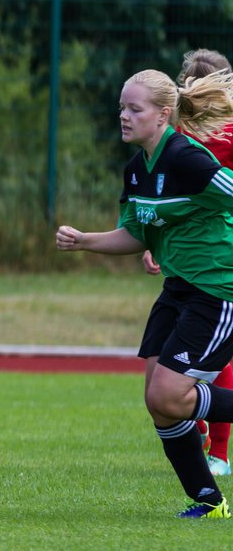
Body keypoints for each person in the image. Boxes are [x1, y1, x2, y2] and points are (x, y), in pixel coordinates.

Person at [56, 67, 233, 518]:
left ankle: (210, 497)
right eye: (121, 107)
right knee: (160, 404)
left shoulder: (189, 160)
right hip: (178, 288)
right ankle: (209, 503)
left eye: (134, 108)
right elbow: (134, 233)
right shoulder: (137, 170)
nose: (124, 116)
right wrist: (84, 242)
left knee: (169, 396)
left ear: (163, 115)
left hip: (216, 289)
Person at [141, 49, 233, 476]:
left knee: (193, 372)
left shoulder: (190, 143)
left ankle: (216, 452)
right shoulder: (177, 142)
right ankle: (209, 464)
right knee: (169, 378)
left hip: (216, 268)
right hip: (187, 268)